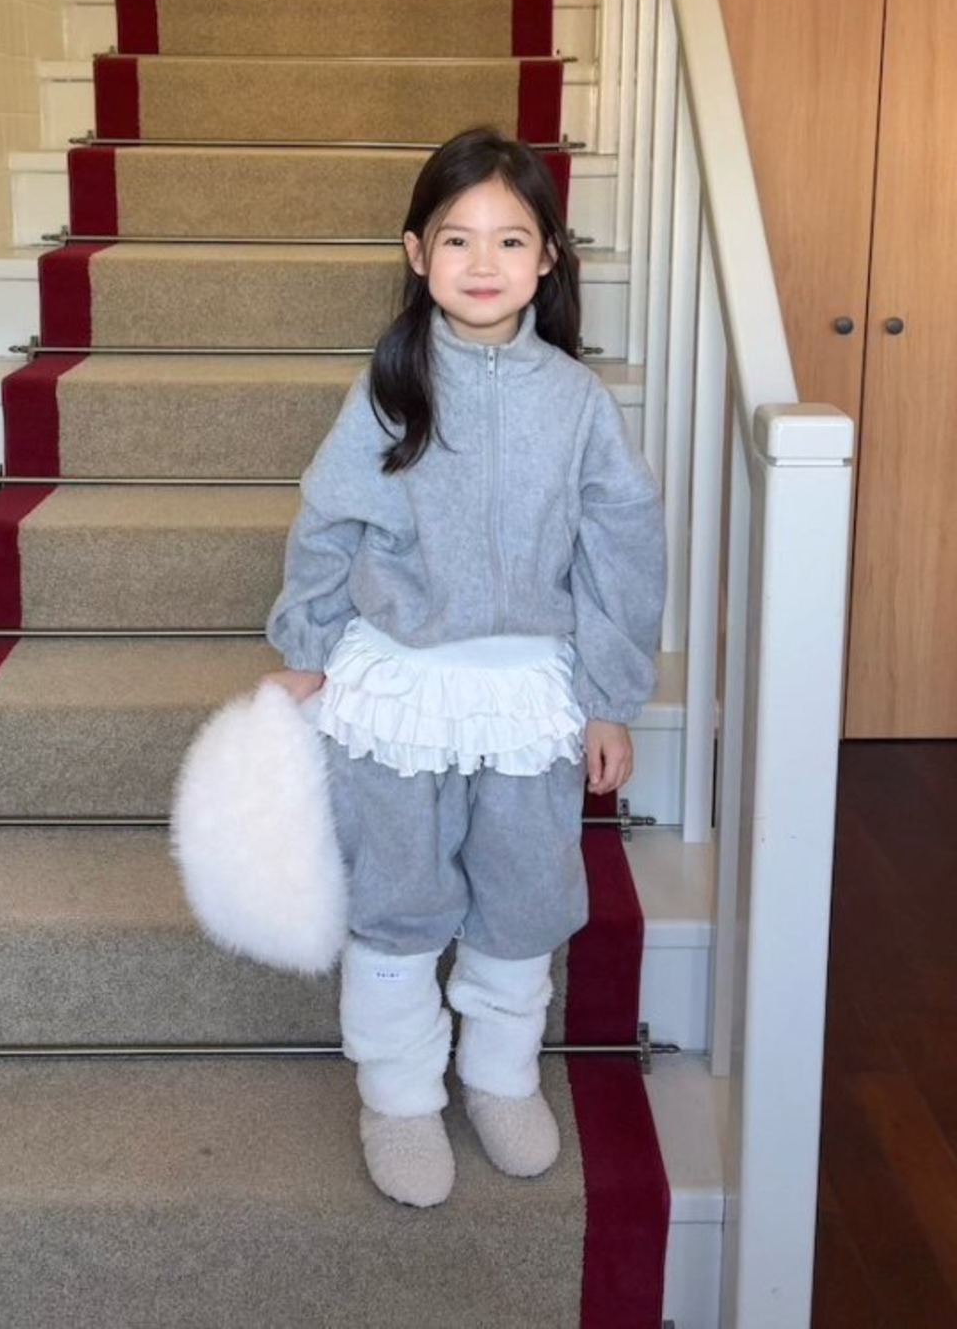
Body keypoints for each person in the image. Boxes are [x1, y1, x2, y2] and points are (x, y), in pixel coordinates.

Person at [265, 126, 666, 1208]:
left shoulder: (576, 403)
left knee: (526, 891)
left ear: (548, 259)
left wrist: (610, 698)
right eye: (456, 239)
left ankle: (498, 1075)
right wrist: (307, 648)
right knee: (397, 893)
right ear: (417, 254)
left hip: (529, 696)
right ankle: (399, 1093)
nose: (482, 262)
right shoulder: (389, 388)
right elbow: (329, 520)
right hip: (400, 687)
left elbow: (621, 548)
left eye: (510, 239)